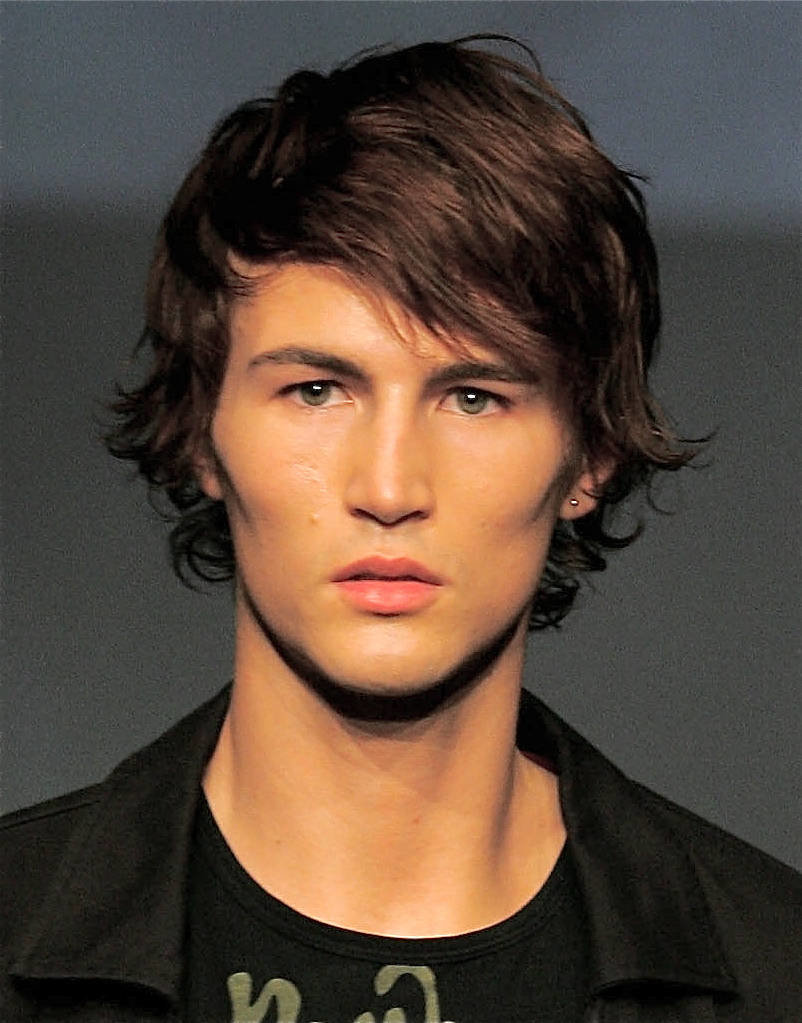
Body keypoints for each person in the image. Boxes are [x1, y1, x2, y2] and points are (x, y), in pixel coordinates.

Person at [1, 37, 799, 1023]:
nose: (388, 487)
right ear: (201, 431)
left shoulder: (774, 972)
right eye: (316, 390)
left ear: (589, 455)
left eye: (473, 397)